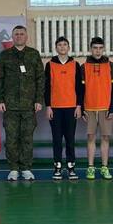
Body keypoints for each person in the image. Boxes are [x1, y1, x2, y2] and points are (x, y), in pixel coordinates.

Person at [0, 25, 44, 181]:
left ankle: (26, 168)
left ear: (26, 36)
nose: (19, 36)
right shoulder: (5, 55)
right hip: (10, 105)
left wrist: (39, 100)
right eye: (16, 34)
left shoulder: (34, 54)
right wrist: (0, 100)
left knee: (27, 138)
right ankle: (14, 169)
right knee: (11, 138)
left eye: (22, 34)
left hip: (29, 105)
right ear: (12, 37)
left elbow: (40, 78)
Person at [80, 36, 113, 180]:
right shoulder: (84, 67)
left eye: (100, 48)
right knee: (90, 137)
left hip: (105, 108)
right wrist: (82, 108)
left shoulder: (111, 66)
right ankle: (90, 167)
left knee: (105, 138)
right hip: (89, 108)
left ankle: (104, 167)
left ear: (103, 49)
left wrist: (112, 108)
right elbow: (80, 90)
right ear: (91, 49)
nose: (98, 51)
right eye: (95, 48)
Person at [44, 36, 82, 180]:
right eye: (59, 45)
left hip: (71, 107)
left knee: (70, 139)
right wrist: (48, 106)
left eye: (65, 44)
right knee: (57, 139)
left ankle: (71, 167)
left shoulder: (75, 64)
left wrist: (79, 106)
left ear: (68, 47)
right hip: (55, 108)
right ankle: (58, 167)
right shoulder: (50, 65)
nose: (62, 47)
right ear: (56, 48)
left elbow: (79, 87)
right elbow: (47, 87)